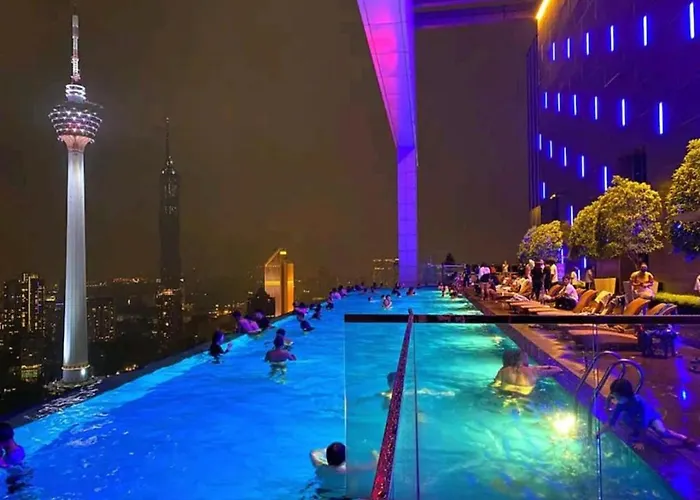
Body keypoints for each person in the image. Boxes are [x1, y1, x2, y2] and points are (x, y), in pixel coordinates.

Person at [597, 378, 697, 451]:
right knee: (624, 419)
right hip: (635, 419)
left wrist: (640, 441)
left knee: (661, 432)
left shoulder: (639, 403)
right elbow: (611, 421)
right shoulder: (621, 403)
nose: (616, 399)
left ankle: (684, 438)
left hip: (650, 417)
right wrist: (598, 433)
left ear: (625, 395)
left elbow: (643, 424)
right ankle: (636, 432)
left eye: (617, 396)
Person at [493, 349, 562, 396]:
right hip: (524, 393)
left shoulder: (503, 370)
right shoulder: (533, 370)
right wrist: (542, 367)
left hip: (505, 391)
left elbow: (495, 384)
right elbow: (558, 369)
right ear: (523, 359)